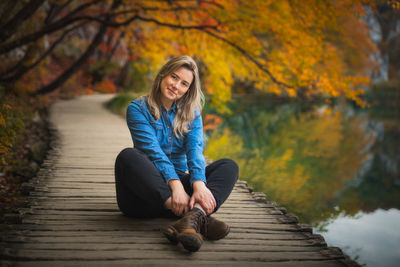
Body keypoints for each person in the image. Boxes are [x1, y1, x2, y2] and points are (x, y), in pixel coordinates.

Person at [114, 55, 239, 252]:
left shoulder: (193, 113)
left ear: (188, 90)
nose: (176, 86)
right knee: (127, 156)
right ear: (163, 74)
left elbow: (195, 150)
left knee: (228, 166)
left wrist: (198, 184)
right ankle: (197, 216)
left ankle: (188, 220)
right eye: (174, 77)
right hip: (143, 195)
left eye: (184, 84)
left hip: (178, 193)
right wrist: (177, 187)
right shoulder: (137, 109)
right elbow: (153, 152)